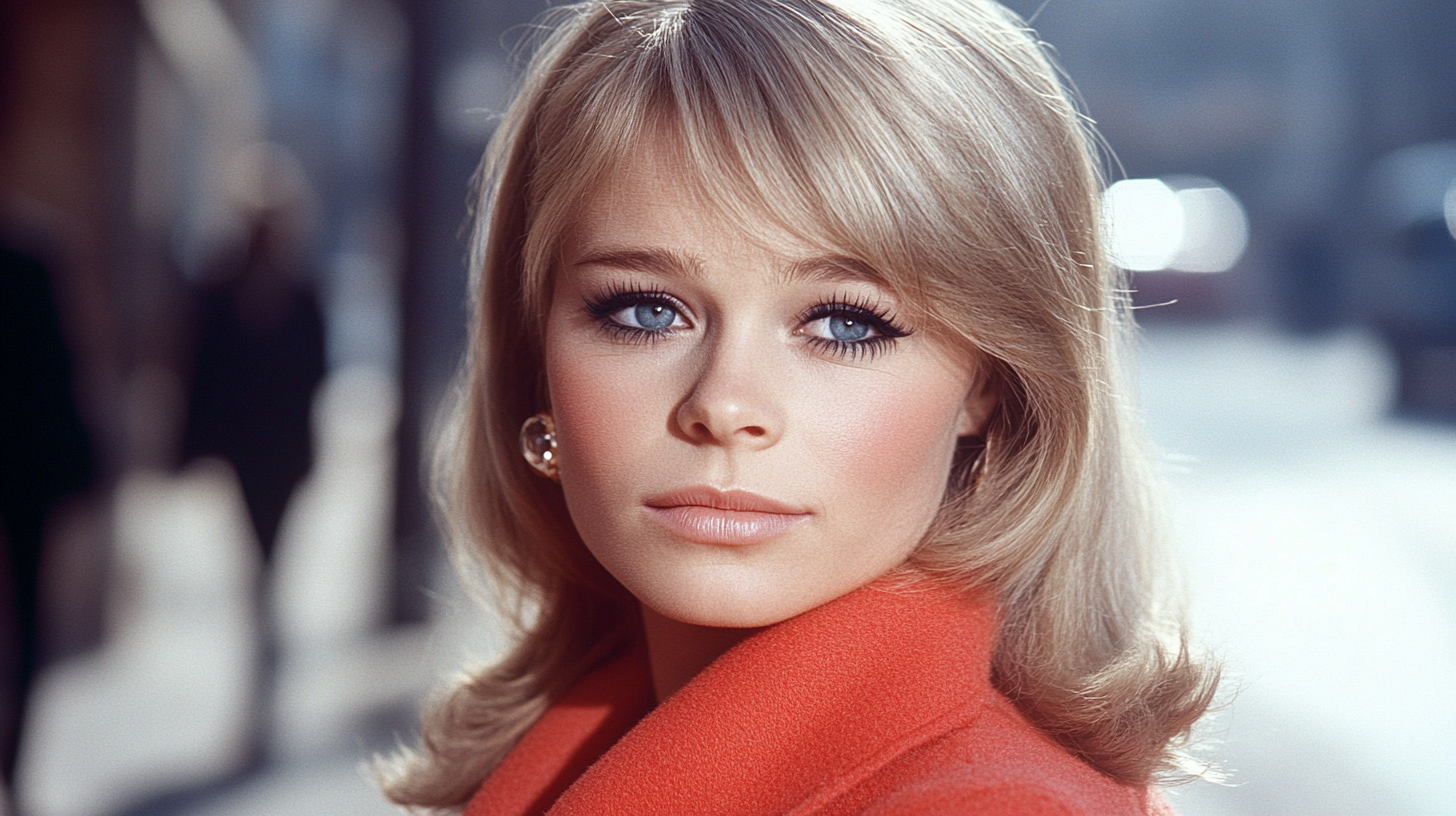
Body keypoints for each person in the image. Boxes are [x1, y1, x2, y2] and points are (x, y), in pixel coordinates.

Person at [380, 0, 1219, 813]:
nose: (724, 406)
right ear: (538, 359)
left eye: (844, 323)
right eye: (644, 310)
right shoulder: (579, 738)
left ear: (990, 385)